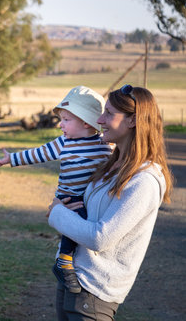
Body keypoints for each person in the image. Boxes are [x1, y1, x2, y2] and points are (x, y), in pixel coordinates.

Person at [47, 85, 173, 320]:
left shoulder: (144, 180)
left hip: (94, 294)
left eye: (109, 113)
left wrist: (57, 213)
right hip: (71, 278)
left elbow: (100, 238)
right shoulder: (111, 165)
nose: (99, 119)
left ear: (132, 121)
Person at [0, 86, 113, 293]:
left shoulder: (104, 145)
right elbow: (39, 153)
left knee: (88, 221)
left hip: (89, 197)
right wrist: (11, 159)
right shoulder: (64, 143)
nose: (60, 125)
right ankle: (64, 261)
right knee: (78, 217)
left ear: (85, 122)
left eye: (66, 120)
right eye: (61, 119)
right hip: (67, 197)